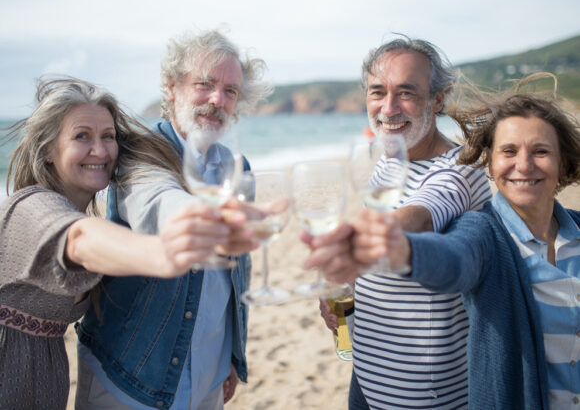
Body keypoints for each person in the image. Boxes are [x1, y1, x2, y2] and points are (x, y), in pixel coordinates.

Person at [339, 77, 580, 409]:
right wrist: (402, 247)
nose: (523, 165)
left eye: (540, 151)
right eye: (508, 151)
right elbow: (452, 260)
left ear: (562, 162)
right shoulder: (483, 233)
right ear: (491, 164)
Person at [0, 77, 238, 410]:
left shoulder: (86, 212)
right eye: (82, 136)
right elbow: (81, 239)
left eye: (108, 137)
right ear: (48, 150)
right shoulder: (27, 208)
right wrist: (165, 253)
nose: (99, 150)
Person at [76, 29, 272, 410]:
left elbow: (235, 273)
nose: (218, 100)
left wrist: (233, 354)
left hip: (210, 374)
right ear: (171, 88)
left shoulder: (238, 168)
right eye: (205, 84)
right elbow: (159, 202)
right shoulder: (139, 152)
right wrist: (209, 220)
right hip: (131, 375)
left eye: (230, 90)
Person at [303, 36, 492, 409]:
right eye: (377, 92)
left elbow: (418, 218)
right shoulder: (390, 159)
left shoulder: (459, 171)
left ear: (437, 100)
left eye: (405, 92)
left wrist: (348, 240)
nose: (388, 108)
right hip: (369, 383)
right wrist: (347, 285)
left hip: (427, 396)